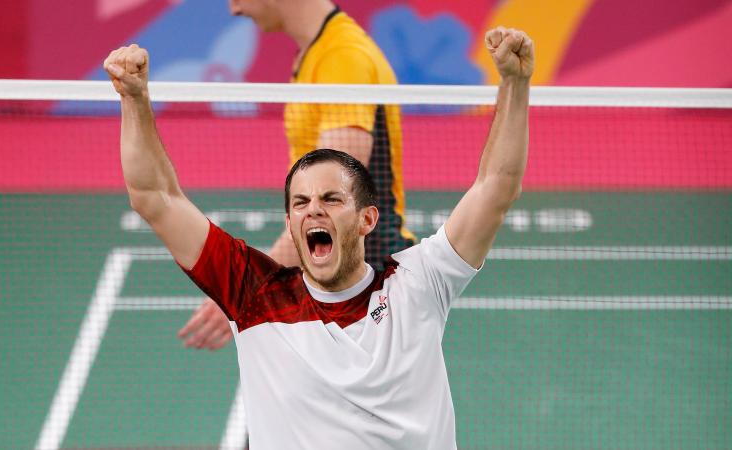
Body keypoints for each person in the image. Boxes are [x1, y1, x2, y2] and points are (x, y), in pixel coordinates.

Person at [104, 25, 533, 450]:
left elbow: (496, 186)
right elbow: (154, 197)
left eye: (331, 198)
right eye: (300, 202)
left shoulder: (418, 283)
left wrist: (515, 83)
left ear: (367, 219)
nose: (313, 209)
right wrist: (135, 100)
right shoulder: (254, 295)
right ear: (290, 224)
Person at [178, 0, 415, 351]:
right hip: (336, 277)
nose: (234, 9)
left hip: (371, 286)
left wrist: (251, 286)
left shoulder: (342, 59)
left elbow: (331, 202)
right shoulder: (314, 55)